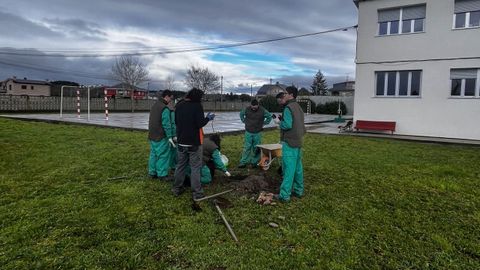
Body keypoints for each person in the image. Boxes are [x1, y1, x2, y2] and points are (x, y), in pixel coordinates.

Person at [171, 88, 215, 200]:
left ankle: (176, 188)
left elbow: (176, 122)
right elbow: (200, 123)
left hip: (181, 141)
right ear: (197, 97)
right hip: (194, 143)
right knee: (195, 167)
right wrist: (208, 118)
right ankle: (197, 193)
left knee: (180, 166)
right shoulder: (197, 106)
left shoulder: (179, 105)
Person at [273, 86, 306, 202]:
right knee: (298, 168)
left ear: (291, 95)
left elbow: (287, 125)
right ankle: (298, 190)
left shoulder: (288, 108)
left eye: (286, 93)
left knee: (288, 169)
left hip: (289, 142)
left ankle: (284, 195)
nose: (284, 95)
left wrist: (279, 122)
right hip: (298, 141)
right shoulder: (298, 107)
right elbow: (301, 125)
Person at [148, 90, 175, 180]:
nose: (171, 100)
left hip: (152, 135)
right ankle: (162, 175)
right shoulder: (164, 108)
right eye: (170, 98)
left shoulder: (154, 106)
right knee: (163, 155)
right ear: (166, 96)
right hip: (161, 136)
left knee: (153, 154)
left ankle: (152, 172)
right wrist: (170, 137)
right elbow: (167, 124)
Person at [238, 99, 272, 168]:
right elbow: (241, 114)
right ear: (250, 105)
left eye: (255, 106)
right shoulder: (246, 109)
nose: (253, 108)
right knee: (247, 147)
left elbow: (269, 116)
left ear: (258, 105)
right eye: (252, 106)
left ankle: (254, 162)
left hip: (257, 132)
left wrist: (264, 123)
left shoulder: (263, 110)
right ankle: (243, 162)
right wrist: (244, 120)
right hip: (248, 132)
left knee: (256, 148)